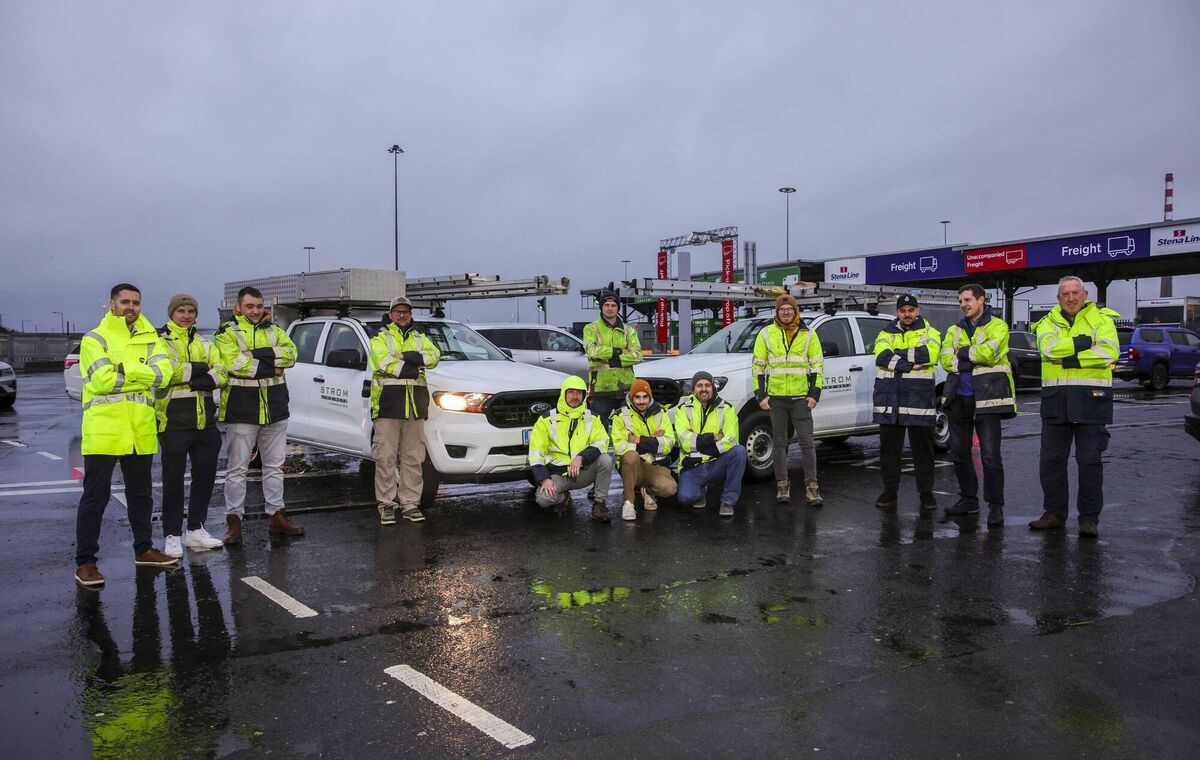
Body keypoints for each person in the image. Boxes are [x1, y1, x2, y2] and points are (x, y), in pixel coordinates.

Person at [75, 283, 177, 587]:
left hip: (139, 431)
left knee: (141, 496)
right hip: (104, 431)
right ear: (111, 304)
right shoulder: (94, 339)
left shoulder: (152, 338)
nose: (130, 307)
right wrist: (140, 374)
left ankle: (144, 549)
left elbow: (164, 375)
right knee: (95, 497)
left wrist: (124, 369)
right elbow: (104, 381)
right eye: (125, 302)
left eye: (136, 302)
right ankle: (86, 563)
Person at [1030, 276, 1120, 538]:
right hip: (1056, 401)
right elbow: (1049, 350)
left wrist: (1072, 361)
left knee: (1089, 462)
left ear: (1085, 295)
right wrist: (1083, 343)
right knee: (1051, 462)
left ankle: (1089, 519)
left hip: (1092, 400)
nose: (1071, 298)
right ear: (1059, 298)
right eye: (1065, 294)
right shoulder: (1046, 322)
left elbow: (1109, 352)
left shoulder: (1102, 320)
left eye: (1075, 293)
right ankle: (1054, 514)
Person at [215, 286, 301, 543]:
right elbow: (235, 365)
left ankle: (277, 515)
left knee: (274, 466)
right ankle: (234, 522)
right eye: (250, 306)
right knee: (237, 469)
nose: (255, 311)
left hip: (274, 408)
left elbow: (292, 355)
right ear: (238, 308)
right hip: (242, 409)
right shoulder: (226, 333)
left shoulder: (275, 331)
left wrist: (256, 355)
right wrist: (270, 365)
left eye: (259, 306)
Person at [155, 293, 227, 556]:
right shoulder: (160, 343)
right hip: (174, 422)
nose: (186, 316)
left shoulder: (205, 343)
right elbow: (166, 373)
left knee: (205, 478)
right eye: (181, 311)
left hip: (205, 421)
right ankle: (172, 534)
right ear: (171, 314)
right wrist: (200, 369)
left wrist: (198, 377)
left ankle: (196, 529)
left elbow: (221, 372)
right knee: (172, 481)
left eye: (190, 311)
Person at [938, 284, 1016, 526]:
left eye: (968, 300)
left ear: (981, 300)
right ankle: (968, 501)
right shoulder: (954, 329)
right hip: (958, 399)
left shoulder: (998, 326)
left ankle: (995, 507)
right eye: (961, 301)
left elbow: (991, 353)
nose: (964, 304)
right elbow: (944, 359)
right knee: (959, 454)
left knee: (991, 457)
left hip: (988, 398)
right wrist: (968, 357)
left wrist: (962, 354)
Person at [368, 296, 441, 525]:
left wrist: (405, 356)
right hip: (388, 406)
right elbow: (383, 363)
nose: (402, 315)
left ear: (410, 314)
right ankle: (387, 504)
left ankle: (410, 503)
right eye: (397, 312)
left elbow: (435, 356)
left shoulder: (421, 337)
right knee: (386, 457)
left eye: (406, 312)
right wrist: (414, 365)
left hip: (415, 406)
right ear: (390, 315)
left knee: (413, 458)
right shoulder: (380, 337)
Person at [752, 293, 824, 506]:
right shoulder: (766, 334)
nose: (786, 312)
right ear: (777, 312)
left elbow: (817, 365)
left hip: (801, 398)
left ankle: (812, 488)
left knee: (807, 444)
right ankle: (782, 487)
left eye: (789, 309)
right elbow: (758, 367)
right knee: (780, 443)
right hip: (777, 399)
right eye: (782, 309)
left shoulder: (809, 334)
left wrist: (814, 393)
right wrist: (761, 395)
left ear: (795, 311)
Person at [872, 295, 942, 511]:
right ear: (897, 313)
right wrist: (910, 365)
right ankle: (889, 492)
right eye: (903, 310)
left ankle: (926, 494)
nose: (907, 314)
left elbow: (930, 354)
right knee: (889, 452)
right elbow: (881, 357)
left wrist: (899, 357)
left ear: (918, 311)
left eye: (911, 310)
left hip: (918, 401)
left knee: (923, 452)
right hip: (890, 401)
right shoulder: (885, 333)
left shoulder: (931, 333)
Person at [528, 375, 614, 522]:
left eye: (579, 393)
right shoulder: (546, 419)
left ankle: (599, 504)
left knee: (606, 460)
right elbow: (536, 453)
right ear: (563, 394)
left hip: (583, 471)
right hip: (558, 474)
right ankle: (563, 497)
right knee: (543, 500)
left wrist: (581, 458)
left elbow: (602, 442)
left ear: (584, 395)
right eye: (571, 392)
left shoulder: (593, 418)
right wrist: (544, 479)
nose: (575, 396)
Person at [674, 371, 748, 517]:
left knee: (739, 451)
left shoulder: (727, 408)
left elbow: (732, 439)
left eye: (707, 385)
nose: (704, 389)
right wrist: (714, 437)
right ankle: (700, 490)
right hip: (692, 465)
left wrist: (700, 442)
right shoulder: (683, 409)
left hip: (716, 463)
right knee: (686, 498)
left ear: (713, 387)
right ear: (693, 389)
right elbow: (684, 441)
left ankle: (728, 501)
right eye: (699, 385)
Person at [611, 379, 677, 521]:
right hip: (633, 465)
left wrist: (638, 439)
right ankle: (629, 503)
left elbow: (669, 444)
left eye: (645, 397)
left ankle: (646, 490)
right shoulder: (620, 416)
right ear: (631, 398)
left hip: (654, 466)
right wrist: (653, 441)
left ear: (650, 397)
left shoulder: (661, 413)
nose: (641, 401)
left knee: (670, 488)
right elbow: (619, 447)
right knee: (631, 455)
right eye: (637, 397)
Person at [583, 290, 642, 428]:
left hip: (626, 388)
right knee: (599, 429)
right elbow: (592, 351)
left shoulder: (629, 331)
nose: (610, 308)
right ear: (602, 307)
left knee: (628, 428)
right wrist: (619, 351)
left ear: (618, 308)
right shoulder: (591, 328)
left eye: (613, 305)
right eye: (607, 305)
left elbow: (638, 355)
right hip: (600, 388)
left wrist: (607, 356)